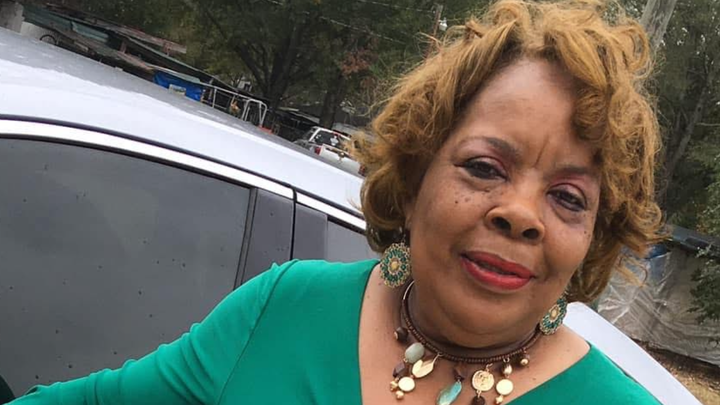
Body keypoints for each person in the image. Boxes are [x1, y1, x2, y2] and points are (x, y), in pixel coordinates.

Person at [10, 0, 663, 404]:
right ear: (414, 177)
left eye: (568, 197)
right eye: (485, 167)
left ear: (593, 238)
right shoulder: (283, 308)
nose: (520, 213)